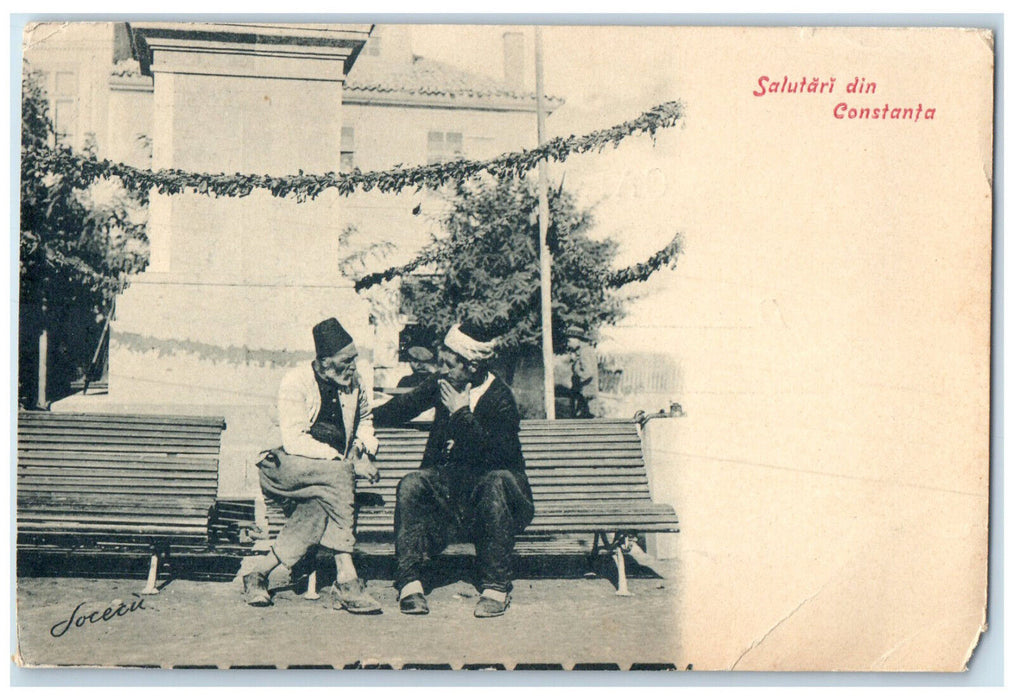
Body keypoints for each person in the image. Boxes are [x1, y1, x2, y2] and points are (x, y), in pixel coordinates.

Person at [372, 322, 534, 618]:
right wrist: (353, 420)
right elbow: (400, 408)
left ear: (472, 366)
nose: (442, 370)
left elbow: (497, 455)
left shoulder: (501, 399)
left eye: (449, 364)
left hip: (499, 501)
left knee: (495, 481)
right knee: (411, 483)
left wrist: (461, 415)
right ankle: (409, 585)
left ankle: (496, 587)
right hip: (454, 497)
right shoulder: (444, 384)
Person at [241, 317, 383, 613]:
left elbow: (366, 420)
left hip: (325, 479)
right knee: (340, 475)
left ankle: (258, 574)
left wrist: (363, 448)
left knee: (321, 505)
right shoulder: (295, 382)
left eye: (355, 359)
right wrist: (347, 464)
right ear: (325, 362)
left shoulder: (354, 382)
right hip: (281, 466)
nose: (353, 367)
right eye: (346, 361)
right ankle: (347, 580)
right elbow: (294, 441)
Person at [565, 325, 599, 419]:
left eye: (569, 341)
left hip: (586, 397)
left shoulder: (585, 352)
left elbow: (588, 373)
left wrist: (577, 378)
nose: (568, 344)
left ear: (578, 340)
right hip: (584, 396)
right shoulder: (582, 351)